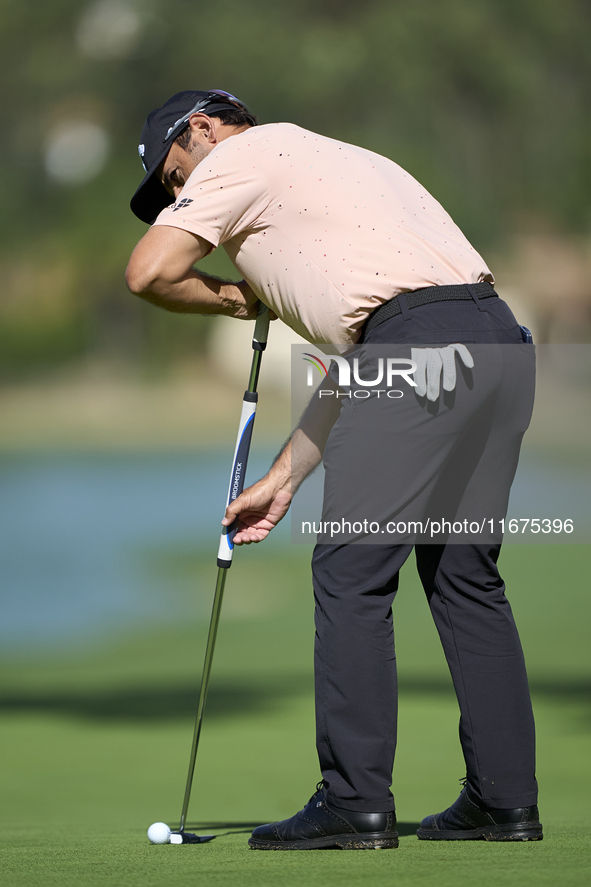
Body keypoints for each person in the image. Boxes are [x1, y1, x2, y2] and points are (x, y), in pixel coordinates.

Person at [126, 89, 542, 849]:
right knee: (464, 579)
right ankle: (504, 800)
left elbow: (148, 271)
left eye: (174, 177)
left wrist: (227, 298)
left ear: (203, 130)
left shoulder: (240, 156)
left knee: (350, 574)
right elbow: (371, 359)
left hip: (418, 347)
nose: (178, 197)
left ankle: (354, 803)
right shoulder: (344, 162)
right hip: (496, 346)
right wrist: (284, 478)